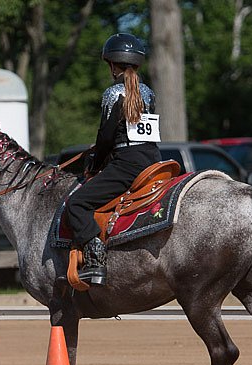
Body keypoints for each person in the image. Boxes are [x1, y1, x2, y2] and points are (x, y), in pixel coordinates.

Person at [66, 33, 161, 286]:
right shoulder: (148, 93)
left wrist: (95, 162)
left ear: (111, 64)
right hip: (154, 161)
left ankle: (95, 259)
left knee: (76, 203)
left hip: (128, 164)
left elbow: (106, 136)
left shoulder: (113, 94)